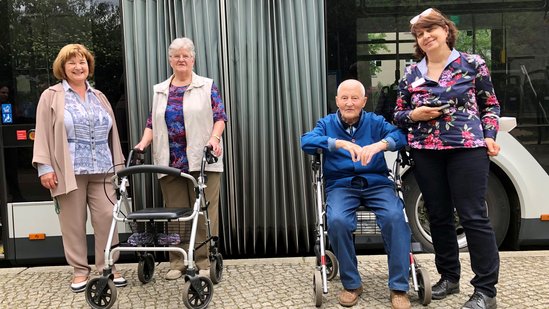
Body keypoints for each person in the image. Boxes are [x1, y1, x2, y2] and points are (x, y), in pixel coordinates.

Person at [393, 8, 501, 309]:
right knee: (438, 216)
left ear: (445, 30)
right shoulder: (412, 73)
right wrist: (414, 114)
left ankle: (485, 291)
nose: (426, 36)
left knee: (473, 216)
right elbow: (398, 114)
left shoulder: (472, 64)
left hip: (467, 149)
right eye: (420, 33)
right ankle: (449, 278)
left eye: (431, 30)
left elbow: (490, 105)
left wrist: (490, 135)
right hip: (426, 151)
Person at [301, 79, 411, 309]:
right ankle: (352, 284)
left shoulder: (375, 122)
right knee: (337, 221)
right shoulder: (327, 123)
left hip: (376, 182)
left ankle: (399, 288)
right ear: (337, 101)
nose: (349, 103)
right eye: (344, 98)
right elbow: (306, 141)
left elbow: (401, 137)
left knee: (395, 218)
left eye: (354, 98)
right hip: (341, 185)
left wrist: (380, 145)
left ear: (364, 101)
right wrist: (337, 143)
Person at [32, 44, 127, 293]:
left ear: (89, 66)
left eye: (83, 62)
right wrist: (45, 167)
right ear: (62, 68)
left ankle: (107, 266)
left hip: (103, 169)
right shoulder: (51, 95)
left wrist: (119, 166)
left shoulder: (99, 96)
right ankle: (79, 270)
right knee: (73, 223)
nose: (78, 66)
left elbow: (112, 134)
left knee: (108, 218)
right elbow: (42, 133)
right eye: (72, 62)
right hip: (69, 170)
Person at [134, 37, 227, 280]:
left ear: (193, 59)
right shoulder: (160, 90)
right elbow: (151, 122)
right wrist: (143, 143)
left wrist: (214, 139)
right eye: (176, 56)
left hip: (203, 159)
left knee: (204, 211)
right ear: (170, 60)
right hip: (170, 161)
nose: (181, 59)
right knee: (176, 215)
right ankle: (178, 262)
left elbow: (220, 118)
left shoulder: (207, 86)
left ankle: (204, 260)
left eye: (185, 55)